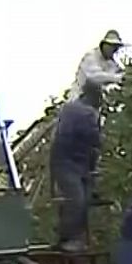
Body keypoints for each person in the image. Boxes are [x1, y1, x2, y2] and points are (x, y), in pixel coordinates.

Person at [50, 83, 103, 253]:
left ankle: (72, 238)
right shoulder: (82, 111)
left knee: (80, 200)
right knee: (77, 200)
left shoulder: (72, 108)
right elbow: (94, 140)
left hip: (75, 162)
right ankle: (68, 238)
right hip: (67, 162)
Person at [74, 29, 125, 96]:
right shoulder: (91, 57)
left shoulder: (111, 63)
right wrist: (119, 77)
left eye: (115, 47)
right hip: (80, 98)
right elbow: (95, 77)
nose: (114, 50)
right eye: (111, 46)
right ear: (104, 45)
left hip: (98, 100)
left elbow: (117, 75)